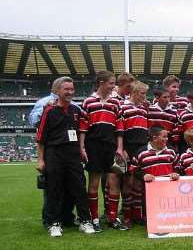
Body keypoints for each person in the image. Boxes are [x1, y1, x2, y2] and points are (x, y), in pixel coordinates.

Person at [36, 76, 94, 237]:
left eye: (71, 89)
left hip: (73, 154)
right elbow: (40, 138)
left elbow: (83, 128)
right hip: (54, 154)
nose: (69, 92)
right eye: (66, 89)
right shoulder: (49, 110)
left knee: (79, 188)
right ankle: (54, 223)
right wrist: (40, 160)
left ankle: (85, 221)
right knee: (54, 189)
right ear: (57, 91)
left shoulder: (76, 110)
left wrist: (81, 149)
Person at [80, 70, 127, 231]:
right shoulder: (88, 102)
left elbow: (120, 126)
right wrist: (82, 148)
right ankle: (94, 219)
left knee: (114, 181)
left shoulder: (116, 103)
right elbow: (83, 128)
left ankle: (112, 218)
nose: (113, 86)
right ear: (101, 83)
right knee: (94, 182)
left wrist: (120, 148)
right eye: (111, 83)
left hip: (112, 147)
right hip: (93, 147)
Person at [120, 81, 150, 227]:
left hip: (142, 149)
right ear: (133, 93)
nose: (145, 97)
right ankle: (126, 217)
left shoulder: (144, 109)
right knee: (127, 183)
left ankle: (138, 216)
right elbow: (120, 130)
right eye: (142, 94)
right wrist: (123, 148)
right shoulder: (123, 107)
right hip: (128, 148)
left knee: (139, 183)